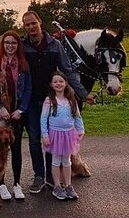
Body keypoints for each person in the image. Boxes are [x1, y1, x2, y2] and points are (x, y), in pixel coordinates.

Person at [21, 10, 94, 194]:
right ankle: (39, 176)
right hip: (30, 101)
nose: (30, 27)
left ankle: (50, 177)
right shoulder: (23, 46)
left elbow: (67, 71)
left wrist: (83, 94)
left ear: (40, 22)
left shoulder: (55, 45)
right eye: (27, 24)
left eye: (33, 23)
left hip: (50, 102)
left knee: (50, 141)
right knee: (34, 139)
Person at [0, 30, 32, 201]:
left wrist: (21, 110)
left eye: (14, 43)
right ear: (2, 44)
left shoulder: (23, 64)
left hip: (17, 113)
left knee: (16, 149)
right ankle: (2, 184)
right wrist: (0, 107)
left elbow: (28, 89)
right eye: (7, 43)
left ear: (18, 45)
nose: (10, 46)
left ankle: (17, 184)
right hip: (0, 113)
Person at [41, 71, 85, 200]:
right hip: (55, 134)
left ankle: (68, 186)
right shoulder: (49, 100)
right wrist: (45, 135)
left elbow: (77, 116)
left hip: (69, 135)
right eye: (55, 82)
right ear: (51, 84)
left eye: (61, 81)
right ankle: (57, 187)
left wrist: (81, 129)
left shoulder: (71, 99)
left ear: (66, 83)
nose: (58, 84)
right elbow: (43, 119)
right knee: (56, 161)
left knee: (67, 161)